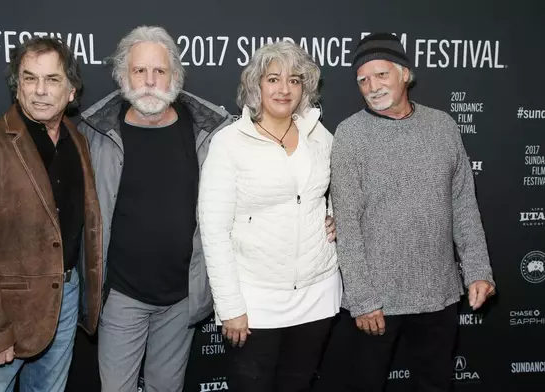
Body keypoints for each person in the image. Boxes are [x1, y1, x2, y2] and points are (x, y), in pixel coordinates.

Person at [330, 33, 496, 392]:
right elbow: (347, 224)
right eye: (363, 80)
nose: (372, 86)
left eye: (381, 75)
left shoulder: (444, 126)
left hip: (439, 294)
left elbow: (464, 206)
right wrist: (362, 300)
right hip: (376, 303)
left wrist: (478, 271)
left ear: (405, 74)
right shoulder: (349, 135)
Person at [77, 25, 233, 392]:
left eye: (159, 71)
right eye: (139, 71)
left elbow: (246, 196)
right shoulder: (94, 133)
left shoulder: (209, 131)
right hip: (121, 296)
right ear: (122, 77)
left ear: (175, 77)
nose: (149, 81)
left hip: (182, 297)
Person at [0, 37, 103, 392]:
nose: (40, 91)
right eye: (30, 79)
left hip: (65, 299)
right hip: (6, 314)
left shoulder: (77, 140)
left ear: (72, 91)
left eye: (52, 80)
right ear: (17, 88)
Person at [198, 41, 342, 392]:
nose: (284, 89)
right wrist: (230, 306)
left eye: (294, 80)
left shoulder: (320, 135)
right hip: (254, 299)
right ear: (256, 85)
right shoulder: (228, 142)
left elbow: (332, 189)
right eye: (273, 78)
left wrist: (337, 216)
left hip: (317, 293)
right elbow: (214, 231)